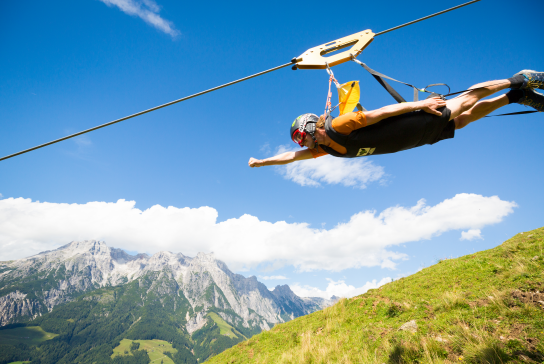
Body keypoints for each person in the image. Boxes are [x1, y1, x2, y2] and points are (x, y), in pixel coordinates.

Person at [248, 70, 543, 167]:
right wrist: (262, 163)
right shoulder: (322, 149)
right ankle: (515, 97)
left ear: (311, 126)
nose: (303, 142)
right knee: (462, 121)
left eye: (302, 136)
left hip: (414, 123)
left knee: (465, 101)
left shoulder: (337, 126)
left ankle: (517, 80)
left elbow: (380, 113)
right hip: (415, 139)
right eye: (300, 140)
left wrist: (420, 106)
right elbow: (290, 157)